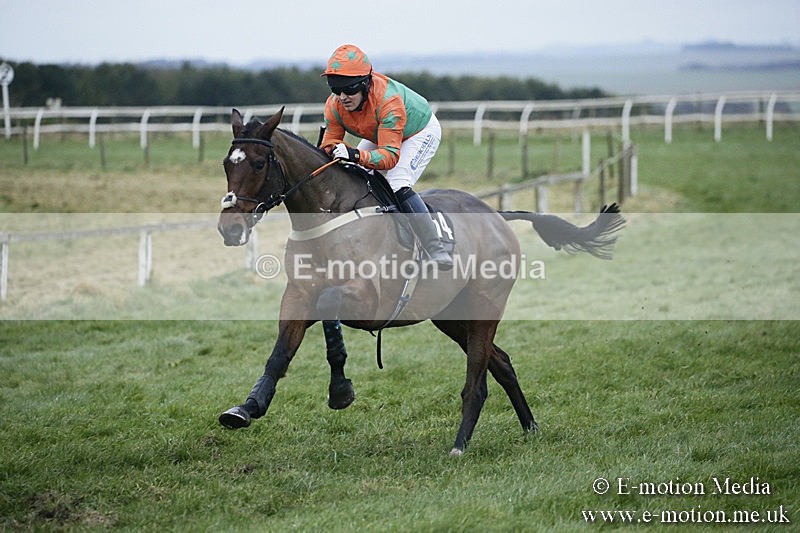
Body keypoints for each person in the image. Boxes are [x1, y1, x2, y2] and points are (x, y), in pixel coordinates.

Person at [320, 44, 453, 270]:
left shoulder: (388, 102)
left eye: (349, 89)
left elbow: (390, 158)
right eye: (336, 89)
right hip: (380, 130)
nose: (342, 97)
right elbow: (329, 144)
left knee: (397, 181)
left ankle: (435, 246)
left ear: (365, 84)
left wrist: (353, 153)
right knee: (359, 177)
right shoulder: (334, 105)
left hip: (418, 131)